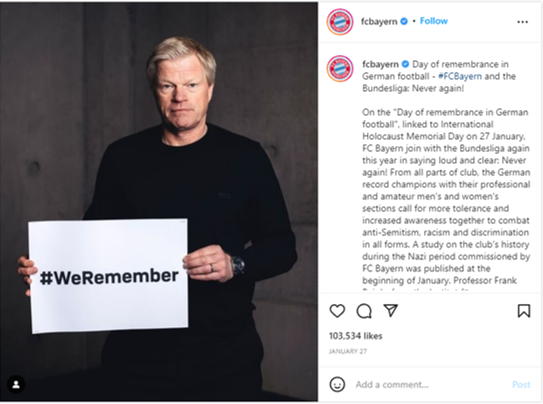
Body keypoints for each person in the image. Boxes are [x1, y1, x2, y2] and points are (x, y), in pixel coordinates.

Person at [17, 36, 297, 401]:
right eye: (168, 85)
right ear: (155, 90)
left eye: (191, 85)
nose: (180, 96)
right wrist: (48, 272)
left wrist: (235, 263)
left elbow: (282, 247)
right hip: (135, 361)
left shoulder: (246, 157)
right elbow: (90, 244)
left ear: (209, 89)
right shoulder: (122, 157)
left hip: (224, 358)